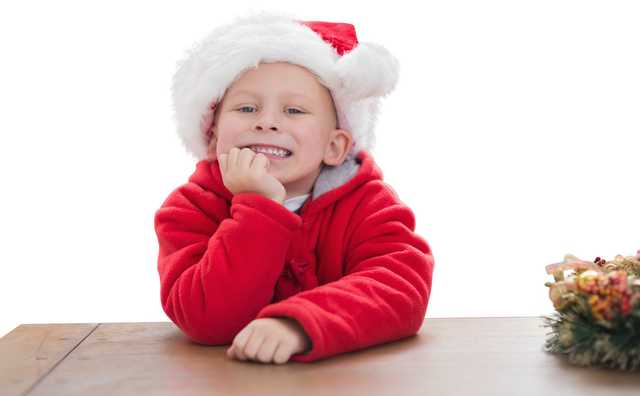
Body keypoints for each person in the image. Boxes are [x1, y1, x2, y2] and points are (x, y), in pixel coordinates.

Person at [154, 5, 438, 364]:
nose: (267, 122)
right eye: (246, 109)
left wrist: (299, 324)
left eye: (294, 111)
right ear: (211, 138)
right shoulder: (188, 208)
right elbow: (205, 320)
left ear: (335, 147)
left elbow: (402, 288)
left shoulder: (370, 203)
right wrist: (260, 208)